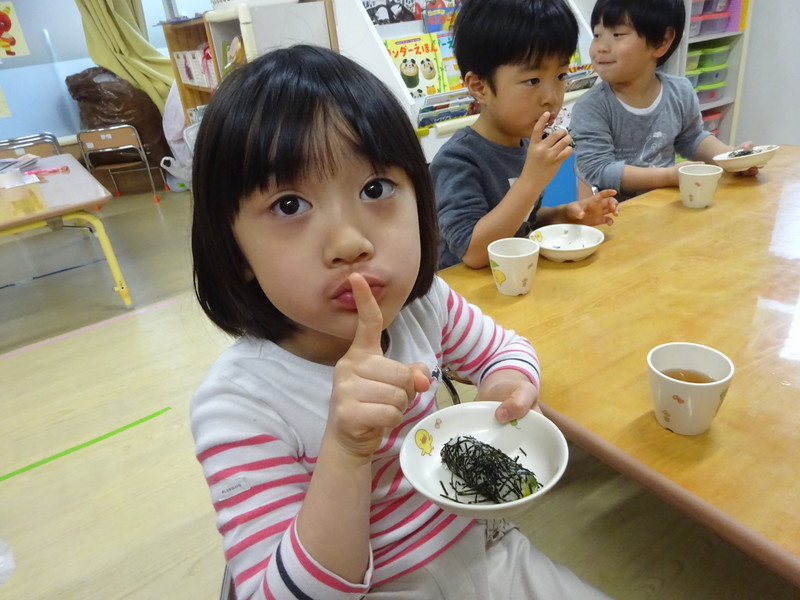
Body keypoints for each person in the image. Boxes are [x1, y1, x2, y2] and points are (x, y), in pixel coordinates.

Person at [190, 45, 612, 600]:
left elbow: (501, 350)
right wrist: (345, 449)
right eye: (290, 205)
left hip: (484, 552)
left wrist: (505, 385)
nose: (349, 243)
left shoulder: (422, 305)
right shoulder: (240, 404)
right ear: (236, 249)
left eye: (374, 190)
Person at [431, 0, 619, 269]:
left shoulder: (525, 143)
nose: (552, 98)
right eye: (532, 81)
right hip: (466, 299)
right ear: (479, 87)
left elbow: (522, 221)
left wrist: (562, 215)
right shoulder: (457, 160)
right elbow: (473, 253)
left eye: (561, 75)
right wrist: (531, 179)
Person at [570, 0, 757, 200]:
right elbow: (599, 170)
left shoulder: (680, 91)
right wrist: (668, 176)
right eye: (597, 35)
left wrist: (730, 158)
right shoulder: (591, 107)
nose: (601, 47)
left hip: (663, 208)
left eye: (617, 35)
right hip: (613, 218)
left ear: (661, 42)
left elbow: (692, 139)